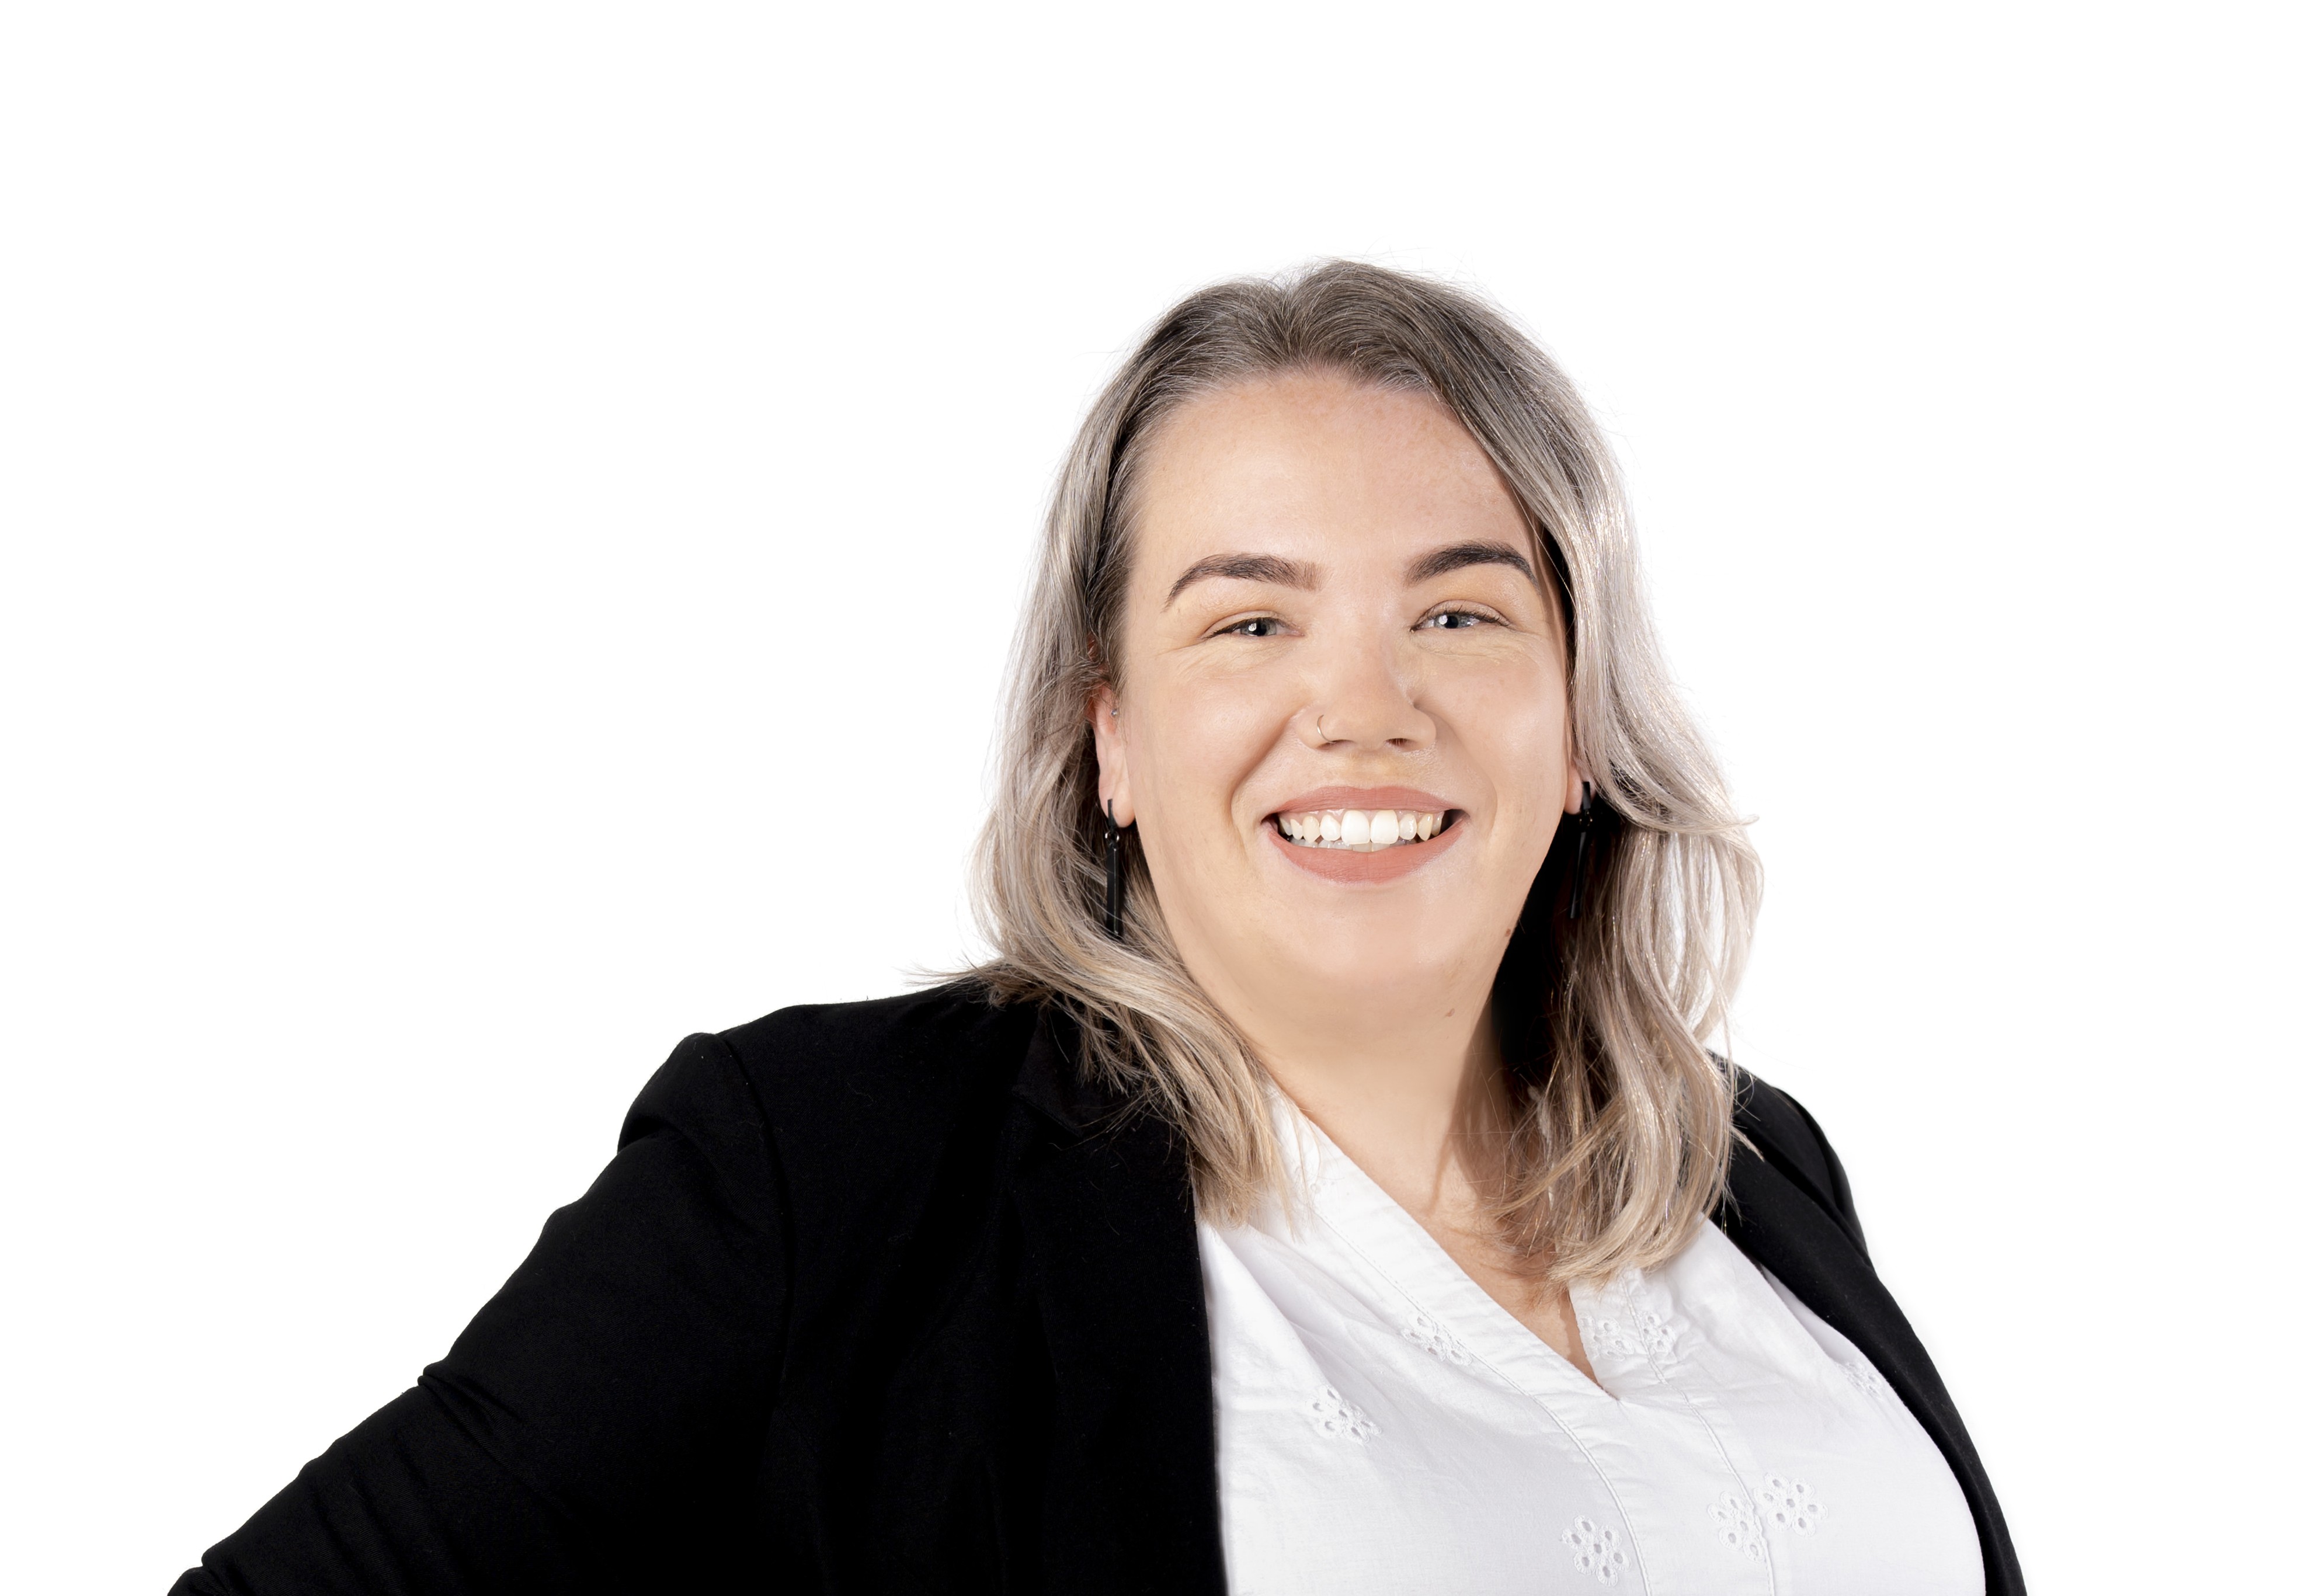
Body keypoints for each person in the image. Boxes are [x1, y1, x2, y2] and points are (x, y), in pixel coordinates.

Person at [173, 262, 2021, 1595]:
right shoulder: (835, 1177)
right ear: (1111, 735)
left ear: (1581, 723)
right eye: (1249, 623)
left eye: (1460, 616)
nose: (1364, 710)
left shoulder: (1744, 1169)